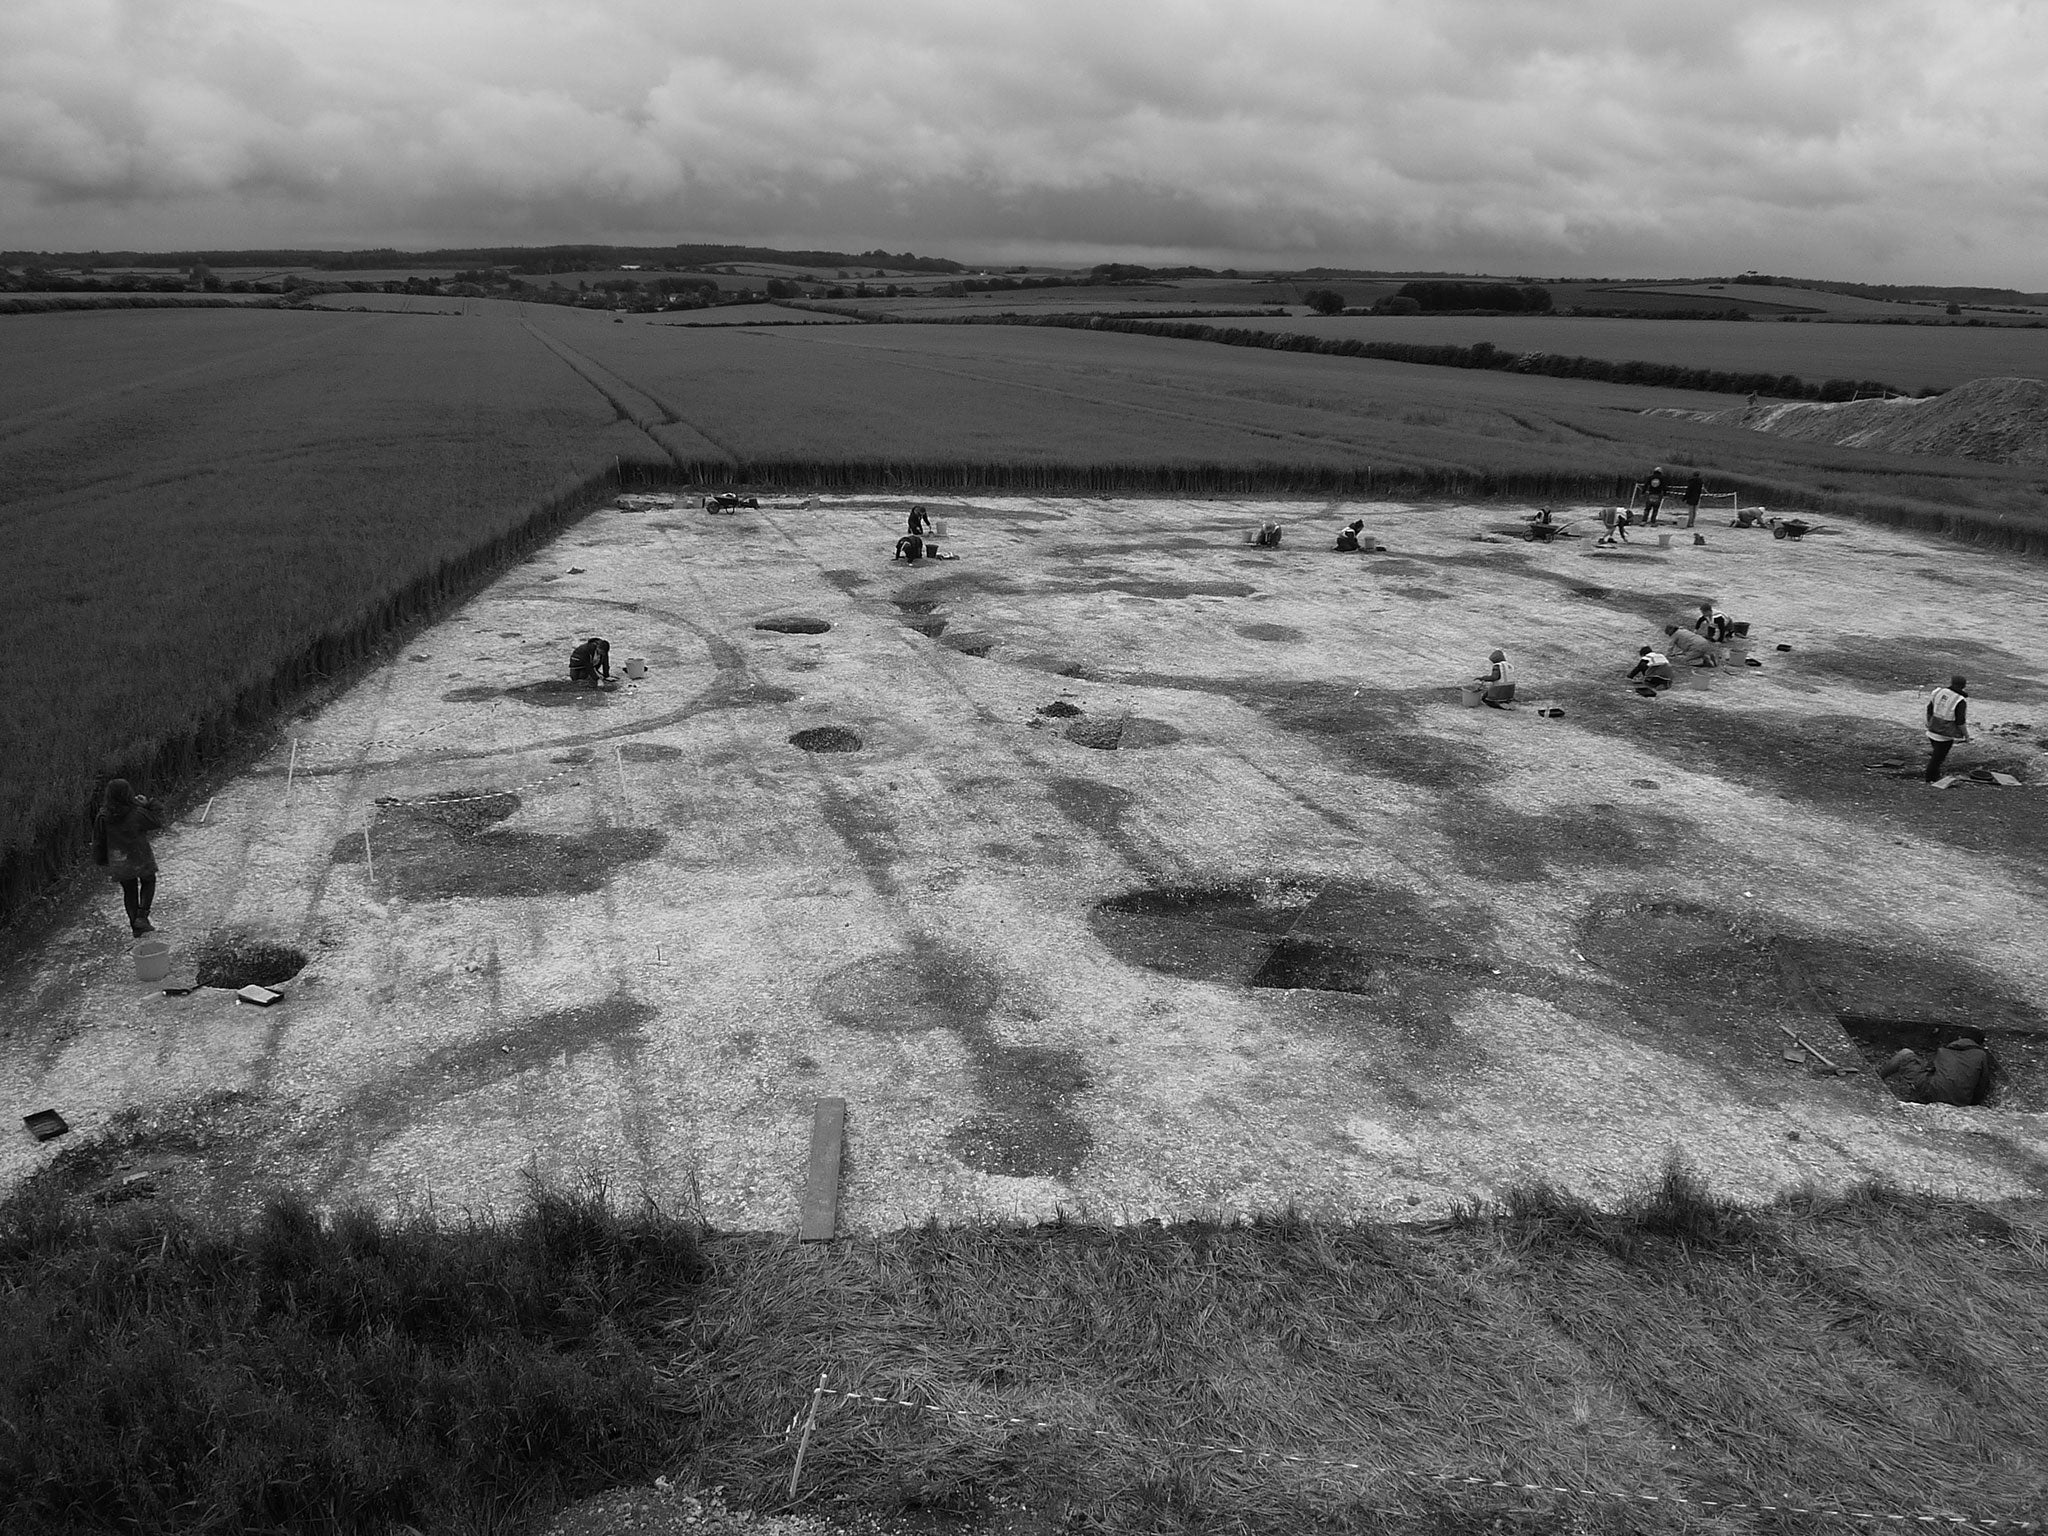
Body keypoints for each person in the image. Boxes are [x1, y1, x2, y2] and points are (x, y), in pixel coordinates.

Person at [92, 778, 163, 937]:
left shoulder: (103, 816)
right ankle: (142, 917)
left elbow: (98, 840)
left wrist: (102, 860)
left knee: (129, 890)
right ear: (128, 793)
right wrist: (148, 804)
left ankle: (135, 926)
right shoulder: (136, 812)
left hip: (119, 861)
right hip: (140, 856)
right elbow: (157, 820)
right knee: (148, 881)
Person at [1880, 1037, 1992, 1106]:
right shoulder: (1981, 1056)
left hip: (1932, 1093)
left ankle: (1877, 1078)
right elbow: (1981, 1085)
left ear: (1959, 1038)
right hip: (1960, 1102)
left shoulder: (1943, 1051)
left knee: (1905, 1053)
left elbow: (1930, 1070)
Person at [1924, 675, 1969, 782]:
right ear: (1964, 686)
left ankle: (1934, 775)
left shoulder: (1939, 692)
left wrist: (1929, 722)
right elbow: (1960, 721)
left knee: (1936, 755)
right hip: (1945, 735)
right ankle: (1930, 779)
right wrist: (1966, 735)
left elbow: (1929, 709)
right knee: (1937, 759)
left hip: (1932, 730)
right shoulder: (1960, 700)